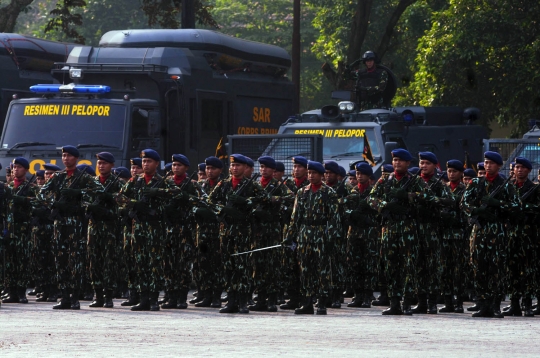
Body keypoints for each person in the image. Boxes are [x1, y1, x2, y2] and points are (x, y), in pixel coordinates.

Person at [367, 149, 438, 315]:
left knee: (408, 266)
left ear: (408, 163)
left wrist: (408, 196)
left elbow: (430, 197)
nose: (397, 163)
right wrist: (385, 205)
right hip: (390, 228)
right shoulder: (385, 180)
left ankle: (406, 302)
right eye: (395, 160)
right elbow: (370, 198)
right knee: (391, 266)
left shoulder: (415, 181)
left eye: (400, 160)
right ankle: (394, 303)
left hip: (408, 228)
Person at [39, 146, 104, 310]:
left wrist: (80, 194)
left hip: (75, 222)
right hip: (60, 223)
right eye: (64, 155)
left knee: (75, 261)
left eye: (69, 156)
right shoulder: (57, 177)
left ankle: (75, 297)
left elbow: (100, 191)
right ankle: (64, 296)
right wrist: (53, 203)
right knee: (60, 260)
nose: (65, 158)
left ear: (76, 158)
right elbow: (41, 193)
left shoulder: (82, 177)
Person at [461, 151, 520, 318]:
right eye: (486, 163)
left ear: (499, 166)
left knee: (497, 268)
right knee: (478, 267)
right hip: (479, 230)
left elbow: (516, 206)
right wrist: (476, 210)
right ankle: (482, 303)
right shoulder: (475, 182)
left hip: (497, 230)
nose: (488, 166)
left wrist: (498, 204)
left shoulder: (506, 185)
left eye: (491, 163)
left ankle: (495, 305)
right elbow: (463, 203)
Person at [117, 149, 176, 311]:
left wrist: (158, 192)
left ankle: (154, 298)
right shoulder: (136, 180)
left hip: (156, 228)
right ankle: (143, 298)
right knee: (140, 263)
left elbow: (177, 193)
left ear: (156, 164)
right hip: (138, 228)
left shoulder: (163, 181)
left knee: (155, 264)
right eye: (144, 161)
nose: (145, 164)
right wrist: (134, 204)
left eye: (149, 161)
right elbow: (119, 197)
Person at [207, 154, 267, 314]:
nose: (235, 168)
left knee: (243, 266)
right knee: (228, 265)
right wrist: (223, 210)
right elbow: (210, 201)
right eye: (232, 165)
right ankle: (231, 300)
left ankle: (243, 301)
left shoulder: (250, 185)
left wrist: (246, 202)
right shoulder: (224, 184)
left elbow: (264, 199)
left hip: (243, 230)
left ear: (244, 168)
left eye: (238, 165)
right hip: (226, 230)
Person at [283, 161, 342, 315]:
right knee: (305, 270)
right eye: (309, 173)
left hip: (322, 235)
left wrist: (332, 239)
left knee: (322, 270)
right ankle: (307, 302)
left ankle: (322, 302)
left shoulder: (329, 193)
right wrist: (290, 236)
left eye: (314, 173)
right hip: (304, 235)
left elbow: (335, 219)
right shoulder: (302, 192)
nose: (311, 175)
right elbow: (295, 218)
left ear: (321, 175)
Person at [411, 152, 454, 315]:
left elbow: (450, 201)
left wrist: (429, 200)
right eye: (421, 162)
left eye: (427, 163)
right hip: (414, 228)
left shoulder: (439, 184)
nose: (423, 166)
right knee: (417, 266)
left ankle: (432, 302)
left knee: (433, 267)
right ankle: (421, 301)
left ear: (435, 166)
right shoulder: (413, 182)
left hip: (432, 230)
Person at [248, 156, 293, 312]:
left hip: (273, 230)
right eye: (261, 167)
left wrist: (274, 200)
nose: (263, 170)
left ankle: (272, 299)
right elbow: (247, 200)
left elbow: (291, 198)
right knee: (258, 264)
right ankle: (260, 298)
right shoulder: (254, 185)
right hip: (257, 229)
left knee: (272, 265)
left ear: (274, 170)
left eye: (267, 167)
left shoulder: (278, 185)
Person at [161, 154, 198, 309]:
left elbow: (197, 203)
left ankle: (182, 297)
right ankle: (171, 296)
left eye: (179, 165)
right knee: (168, 264)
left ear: (186, 168)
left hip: (184, 229)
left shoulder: (191, 184)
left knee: (182, 265)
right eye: (174, 165)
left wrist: (185, 198)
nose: (175, 168)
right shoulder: (166, 182)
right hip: (168, 228)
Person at [87, 152, 124, 308]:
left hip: (110, 227)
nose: (101, 166)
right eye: (99, 163)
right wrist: (89, 208)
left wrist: (110, 210)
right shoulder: (92, 182)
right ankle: (98, 295)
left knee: (109, 262)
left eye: (105, 163)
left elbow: (124, 204)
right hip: (94, 227)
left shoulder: (118, 183)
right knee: (94, 261)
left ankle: (108, 295)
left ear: (112, 165)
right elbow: (84, 200)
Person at [503, 157, 538, 317]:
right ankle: (514, 303)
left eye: (523, 167)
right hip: (511, 234)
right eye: (517, 167)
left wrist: (523, 207)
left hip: (528, 234)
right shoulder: (507, 188)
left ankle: (528, 304)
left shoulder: (534, 189)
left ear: (529, 170)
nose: (519, 170)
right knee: (512, 270)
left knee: (527, 270)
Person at [2, 158, 39, 304]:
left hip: (23, 229)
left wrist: (24, 201)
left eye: (19, 167)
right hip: (9, 229)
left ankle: (21, 292)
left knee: (22, 261)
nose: (15, 169)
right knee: (9, 261)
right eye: (14, 167)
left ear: (26, 169)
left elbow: (40, 202)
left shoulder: (32, 187)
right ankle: (11, 291)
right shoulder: (7, 187)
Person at [345, 162, 380, 308]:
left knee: (369, 265)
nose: (359, 176)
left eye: (362, 174)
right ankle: (357, 295)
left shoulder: (373, 192)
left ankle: (367, 296)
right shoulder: (352, 192)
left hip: (369, 233)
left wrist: (368, 218)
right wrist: (351, 214)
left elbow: (379, 211)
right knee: (355, 264)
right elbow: (344, 210)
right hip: (354, 232)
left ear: (368, 176)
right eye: (357, 174)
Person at [192, 156, 224, 308]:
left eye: (213, 168)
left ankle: (217, 296)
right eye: (208, 168)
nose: (209, 171)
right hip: (202, 229)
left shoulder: (223, 185)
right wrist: (197, 210)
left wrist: (212, 211)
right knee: (203, 263)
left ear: (220, 170)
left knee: (216, 264)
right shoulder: (200, 185)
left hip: (217, 230)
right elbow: (193, 203)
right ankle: (206, 294)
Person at [280, 156, 310, 310]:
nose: (296, 170)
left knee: (304, 266)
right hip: (289, 228)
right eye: (295, 167)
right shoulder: (287, 184)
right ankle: (292, 298)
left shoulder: (308, 186)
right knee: (289, 265)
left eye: (300, 167)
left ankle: (306, 299)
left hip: (306, 231)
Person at [439, 160, 467, 313]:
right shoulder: (443, 189)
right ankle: (448, 301)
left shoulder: (465, 190)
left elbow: (466, 211)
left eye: (455, 171)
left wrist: (456, 219)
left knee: (458, 270)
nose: (451, 174)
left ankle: (459, 302)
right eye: (449, 171)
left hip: (458, 234)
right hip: (444, 234)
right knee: (445, 269)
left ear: (461, 173)